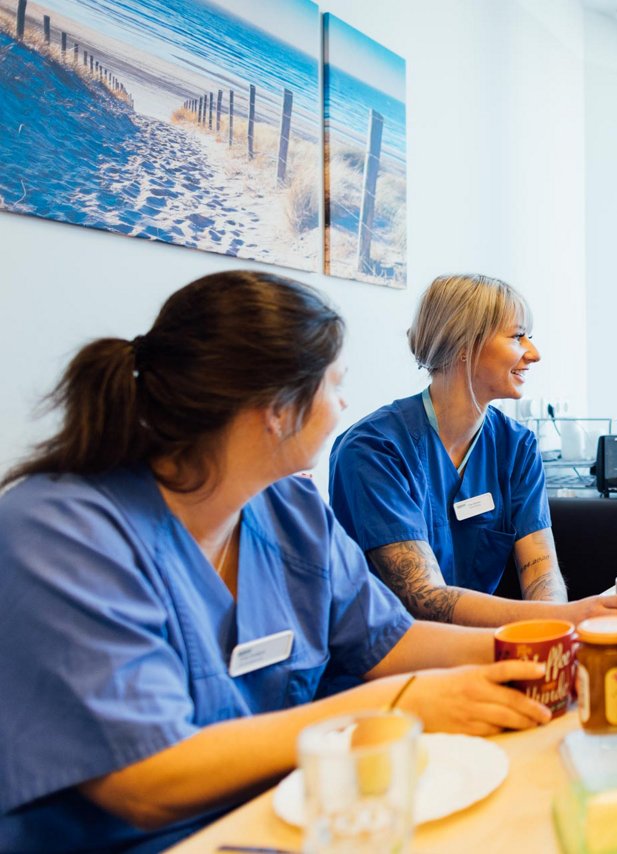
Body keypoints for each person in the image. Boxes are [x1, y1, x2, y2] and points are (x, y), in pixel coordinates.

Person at [0, 272, 552, 852]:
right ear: (277, 409)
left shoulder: (290, 509)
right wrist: (389, 703)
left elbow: (390, 641)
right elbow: (146, 781)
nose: (343, 409)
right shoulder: (60, 532)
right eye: (336, 387)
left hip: (279, 822)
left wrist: (555, 641)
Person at [329, 273, 617, 626]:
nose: (534, 354)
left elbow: (541, 574)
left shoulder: (516, 446)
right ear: (464, 344)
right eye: (517, 336)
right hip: (394, 657)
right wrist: (564, 617)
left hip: (482, 644)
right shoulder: (374, 450)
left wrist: (555, 630)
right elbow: (424, 598)